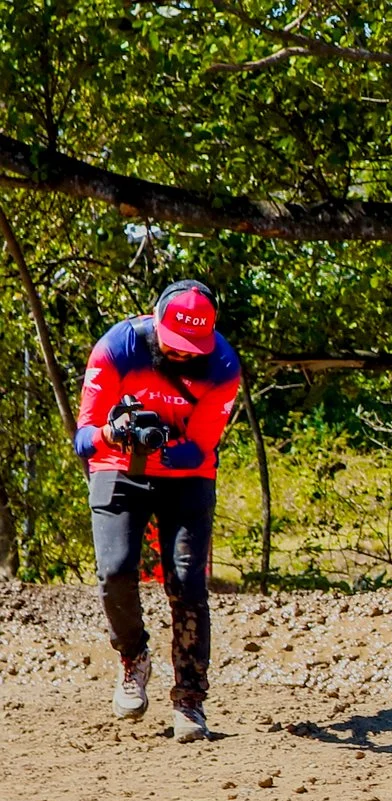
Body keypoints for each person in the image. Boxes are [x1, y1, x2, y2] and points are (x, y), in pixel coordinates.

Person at [74, 281, 242, 742]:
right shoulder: (117, 348)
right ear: (155, 320)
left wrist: (161, 445)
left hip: (187, 474)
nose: (183, 354)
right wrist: (113, 435)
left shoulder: (223, 364)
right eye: (174, 345)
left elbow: (200, 447)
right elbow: (83, 439)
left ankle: (190, 701)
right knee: (115, 570)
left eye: (193, 347)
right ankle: (133, 657)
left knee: (187, 583)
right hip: (116, 464)